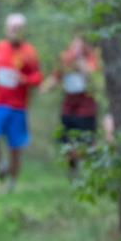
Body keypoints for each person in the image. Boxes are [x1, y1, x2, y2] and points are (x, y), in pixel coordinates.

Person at [0, 13, 42, 193]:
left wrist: (24, 79)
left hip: (18, 106)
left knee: (15, 147)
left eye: (18, 28)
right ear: (6, 29)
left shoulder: (30, 52)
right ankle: (2, 165)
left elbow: (37, 78)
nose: (14, 31)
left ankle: (12, 184)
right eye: (11, 28)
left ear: (23, 31)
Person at [43, 35, 101, 175]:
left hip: (86, 109)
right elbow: (55, 77)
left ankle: (90, 170)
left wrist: (80, 63)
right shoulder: (65, 59)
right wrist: (45, 87)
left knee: (87, 141)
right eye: (74, 45)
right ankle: (73, 171)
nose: (76, 49)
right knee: (67, 142)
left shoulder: (91, 59)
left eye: (80, 46)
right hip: (68, 107)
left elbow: (94, 77)